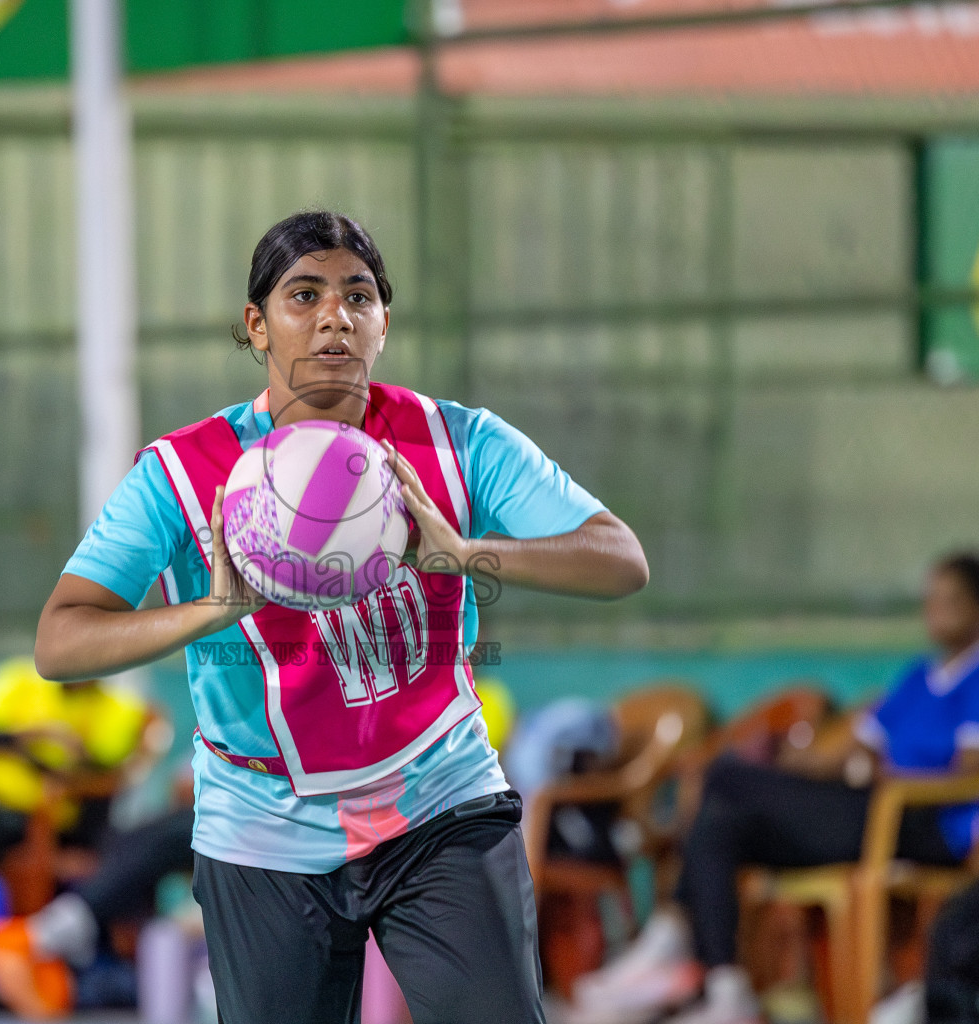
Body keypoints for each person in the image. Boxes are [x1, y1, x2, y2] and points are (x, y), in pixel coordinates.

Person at [33, 210, 650, 1023]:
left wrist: (466, 556)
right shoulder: (184, 475)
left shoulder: (454, 441)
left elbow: (620, 560)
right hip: (262, 826)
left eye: (359, 296)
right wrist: (212, 610)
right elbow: (61, 639)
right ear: (257, 325)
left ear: (384, 322)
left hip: (438, 802)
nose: (335, 316)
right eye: (304, 295)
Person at [569, 552, 979, 1024]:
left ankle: (677, 943)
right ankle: (724, 985)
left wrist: (881, 778)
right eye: (931, 598)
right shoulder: (921, 676)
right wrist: (790, 757)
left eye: (951, 600)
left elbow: (975, 770)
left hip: (925, 824)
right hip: (872, 811)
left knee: (726, 783)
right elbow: (853, 750)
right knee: (725, 813)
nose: (934, 609)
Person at [0, 657, 195, 1019]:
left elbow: (117, 770)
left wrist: (64, 769)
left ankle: (29, 945)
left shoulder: (116, 708)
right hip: (1, 810)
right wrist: (33, 738)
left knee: (136, 845)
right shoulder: (19, 681)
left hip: (68, 822)